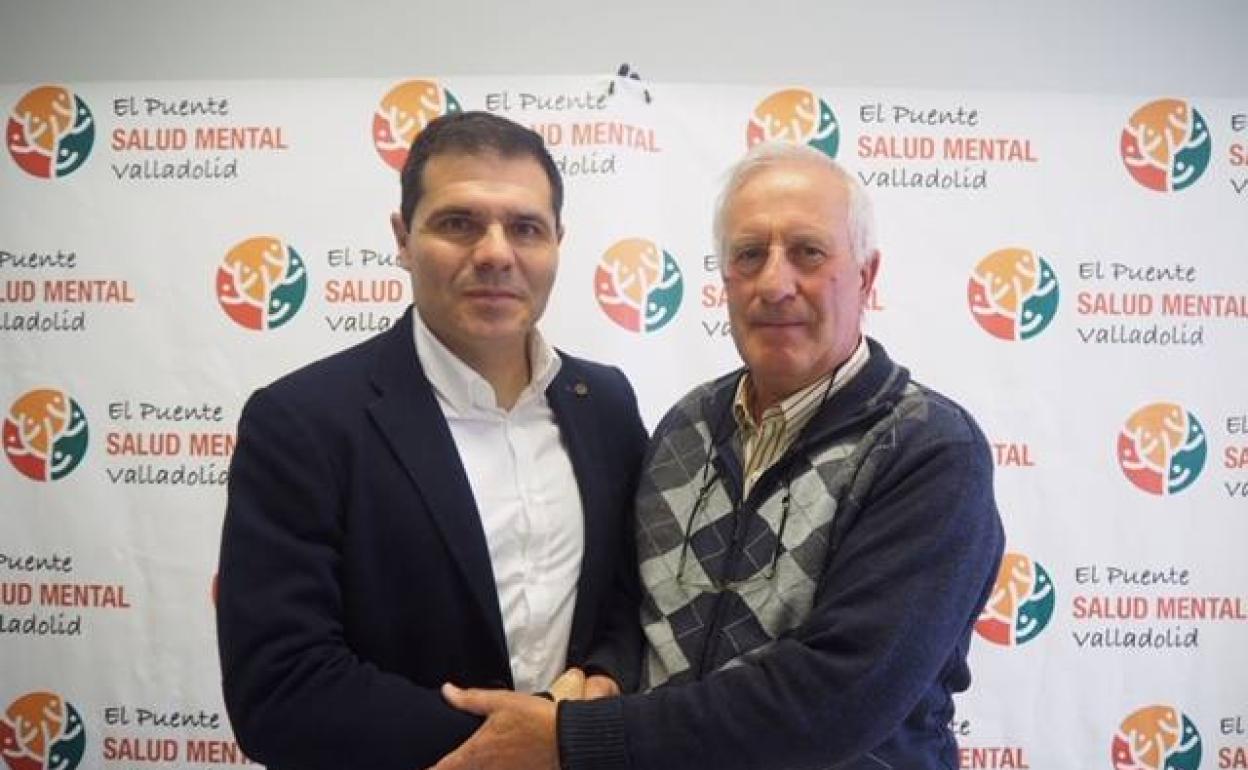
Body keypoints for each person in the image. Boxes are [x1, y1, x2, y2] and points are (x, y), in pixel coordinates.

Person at [433, 141, 1006, 770]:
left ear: (866, 277)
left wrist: (576, 738)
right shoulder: (688, 426)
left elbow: (836, 698)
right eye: (750, 254)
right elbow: (634, 602)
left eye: (808, 253)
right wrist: (607, 671)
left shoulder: (929, 451)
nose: (775, 284)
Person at [216, 111, 647, 770]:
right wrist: (533, 741)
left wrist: (606, 677)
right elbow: (280, 691)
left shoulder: (606, 404)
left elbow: (629, 593)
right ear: (403, 238)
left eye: (526, 228)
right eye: (459, 223)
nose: (496, 253)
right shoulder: (301, 422)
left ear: (557, 243)